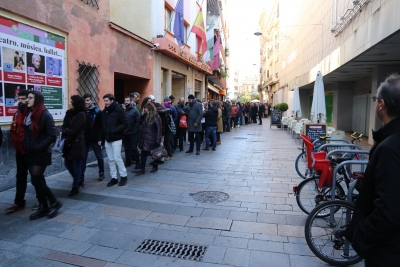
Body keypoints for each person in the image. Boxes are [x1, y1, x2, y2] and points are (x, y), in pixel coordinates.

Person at [345, 74, 400, 267]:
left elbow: (389, 211)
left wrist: (359, 233)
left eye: (376, 100)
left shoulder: (389, 148)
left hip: (388, 252)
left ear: (381, 105)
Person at [22, 91, 61, 220]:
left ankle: (54, 202)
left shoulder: (45, 115)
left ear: (37, 100)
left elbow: (52, 134)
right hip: (30, 152)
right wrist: (25, 145)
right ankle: (43, 206)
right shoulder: (29, 114)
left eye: (30, 98)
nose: (27, 100)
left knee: (36, 180)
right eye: (27, 98)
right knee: (38, 180)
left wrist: (38, 147)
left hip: (41, 153)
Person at [6, 90, 30, 212]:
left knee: (37, 178)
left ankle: (43, 201)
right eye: (19, 98)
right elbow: (12, 130)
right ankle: (19, 202)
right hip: (20, 152)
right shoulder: (16, 113)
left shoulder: (33, 113)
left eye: (23, 99)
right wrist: (18, 146)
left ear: (28, 99)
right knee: (20, 177)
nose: (20, 101)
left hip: (32, 152)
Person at [101, 94, 128, 187]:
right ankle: (114, 178)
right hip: (107, 139)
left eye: (107, 101)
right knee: (110, 159)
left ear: (112, 101)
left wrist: (114, 130)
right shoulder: (104, 112)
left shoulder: (119, 111)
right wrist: (101, 138)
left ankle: (124, 176)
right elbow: (102, 126)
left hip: (116, 138)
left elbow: (125, 124)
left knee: (117, 158)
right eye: (104, 101)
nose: (105, 102)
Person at [62, 95, 86, 197]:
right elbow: (64, 126)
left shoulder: (81, 114)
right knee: (67, 163)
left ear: (76, 103)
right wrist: (66, 131)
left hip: (76, 143)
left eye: (71, 101)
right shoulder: (69, 113)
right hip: (67, 143)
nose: (69, 103)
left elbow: (74, 130)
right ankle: (79, 179)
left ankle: (75, 186)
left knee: (76, 165)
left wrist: (66, 131)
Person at [81, 94, 105, 182]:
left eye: (87, 100)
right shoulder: (82, 111)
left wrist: (100, 139)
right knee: (83, 157)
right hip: (84, 139)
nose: (86, 102)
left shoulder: (97, 111)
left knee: (99, 157)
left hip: (95, 139)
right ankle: (81, 175)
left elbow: (101, 126)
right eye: (84, 100)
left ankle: (101, 172)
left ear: (91, 101)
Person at [135, 102, 162, 174]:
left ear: (150, 109)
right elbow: (139, 122)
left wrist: (158, 139)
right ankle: (142, 168)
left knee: (154, 153)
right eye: (144, 108)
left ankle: (155, 166)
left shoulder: (156, 116)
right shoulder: (144, 116)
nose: (144, 109)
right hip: (144, 137)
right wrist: (142, 115)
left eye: (146, 108)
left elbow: (159, 129)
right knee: (144, 152)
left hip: (152, 138)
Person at [122, 96, 140, 169]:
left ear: (131, 101)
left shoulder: (135, 111)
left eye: (127, 101)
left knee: (134, 148)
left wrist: (134, 131)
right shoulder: (123, 111)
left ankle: (138, 162)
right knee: (126, 148)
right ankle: (128, 161)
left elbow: (138, 122)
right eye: (125, 101)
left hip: (132, 133)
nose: (126, 102)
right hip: (124, 133)